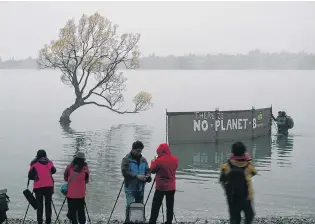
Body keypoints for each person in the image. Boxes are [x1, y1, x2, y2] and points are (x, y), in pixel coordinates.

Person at [219, 142, 257, 224]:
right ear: (244, 152)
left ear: (232, 152)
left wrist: (227, 190)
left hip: (232, 197)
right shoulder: (248, 166)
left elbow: (222, 180)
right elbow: (254, 173)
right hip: (246, 196)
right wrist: (247, 159)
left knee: (234, 217)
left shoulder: (226, 166)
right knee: (249, 215)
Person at [121, 141, 151, 222]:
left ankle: (140, 220)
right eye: (138, 151)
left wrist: (148, 177)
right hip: (130, 187)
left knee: (140, 205)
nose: (139, 153)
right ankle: (128, 221)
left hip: (141, 187)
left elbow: (148, 171)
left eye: (140, 151)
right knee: (130, 205)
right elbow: (125, 172)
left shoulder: (143, 160)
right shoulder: (126, 159)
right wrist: (136, 176)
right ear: (133, 149)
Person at [149, 143, 178, 224]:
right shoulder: (175, 159)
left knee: (156, 205)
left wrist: (153, 161)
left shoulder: (158, 161)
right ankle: (169, 221)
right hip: (171, 187)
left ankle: (152, 221)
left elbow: (152, 170)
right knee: (170, 206)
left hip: (160, 187)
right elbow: (175, 167)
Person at [28, 149, 56, 224]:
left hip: (38, 187)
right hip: (49, 186)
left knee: (39, 206)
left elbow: (30, 176)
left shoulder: (34, 164)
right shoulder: (49, 162)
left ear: (37, 156)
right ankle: (48, 221)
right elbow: (54, 171)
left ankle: (40, 222)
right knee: (48, 204)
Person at [64, 152, 90, 224]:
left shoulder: (69, 166)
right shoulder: (85, 168)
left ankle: (73, 221)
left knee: (72, 211)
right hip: (81, 194)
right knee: (81, 211)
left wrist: (71, 182)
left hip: (70, 194)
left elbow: (65, 177)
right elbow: (87, 181)